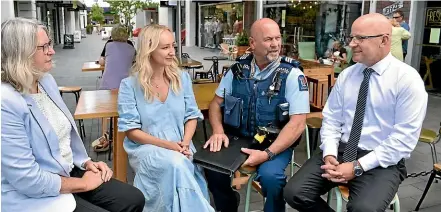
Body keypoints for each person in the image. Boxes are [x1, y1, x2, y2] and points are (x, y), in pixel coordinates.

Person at [283, 13, 428, 212]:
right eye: (352, 37)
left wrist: (357, 166)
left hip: (381, 159)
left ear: (384, 40)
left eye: (360, 38)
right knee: (294, 193)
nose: (352, 44)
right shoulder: (347, 75)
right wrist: (330, 154)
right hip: (341, 150)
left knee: (363, 209)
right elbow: (332, 119)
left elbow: (403, 140)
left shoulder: (407, 80)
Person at [1, 18, 145, 212]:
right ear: (20, 54)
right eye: (43, 47)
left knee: (133, 198)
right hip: (34, 191)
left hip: (69, 169)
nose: (51, 51)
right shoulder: (6, 102)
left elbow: (64, 138)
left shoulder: (45, 81)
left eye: (50, 44)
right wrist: (83, 184)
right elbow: (26, 178)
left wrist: (87, 162)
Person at [204, 18, 310, 212]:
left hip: (274, 143)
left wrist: (267, 153)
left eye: (278, 38)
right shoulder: (237, 71)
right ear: (253, 43)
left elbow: (297, 124)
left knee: (272, 179)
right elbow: (215, 104)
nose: (276, 44)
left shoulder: (293, 75)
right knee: (211, 168)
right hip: (238, 137)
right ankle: (228, 205)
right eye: (269, 39)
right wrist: (218, 131)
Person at [117, 24, 214, 212]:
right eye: (165, 47)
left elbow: (192, 116)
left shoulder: (181, 78)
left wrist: (185, 143)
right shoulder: (129, 86)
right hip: (147, 148)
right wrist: (171, 146)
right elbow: (132, 132)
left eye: (173, 46)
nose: (172, 52)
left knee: (180, 163)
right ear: (149, 50)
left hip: (181, 146)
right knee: (177, 164)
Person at [93, 25, 136, 152]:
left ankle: (105, 134)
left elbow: (101, 62)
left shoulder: (109, 44)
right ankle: (125, 134)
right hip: (126, 86)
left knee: (106, 111)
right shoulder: (131, 46)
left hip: (108, 85)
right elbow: (135, 62)